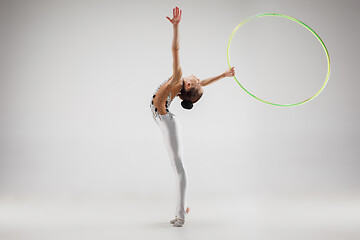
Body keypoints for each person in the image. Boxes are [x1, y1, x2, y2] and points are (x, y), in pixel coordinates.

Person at [150, 6, 235, 227]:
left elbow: (175, 49)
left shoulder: (178, 78)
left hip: (168, 121)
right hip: (165, 120)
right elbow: (202, 83)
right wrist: (223, 75)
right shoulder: (179, 88)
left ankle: (181, 214)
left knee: (179, 167)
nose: (197, 76)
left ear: (188, 84)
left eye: (194, 79)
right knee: (176, 166)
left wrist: (176, 28)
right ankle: (182, 206)